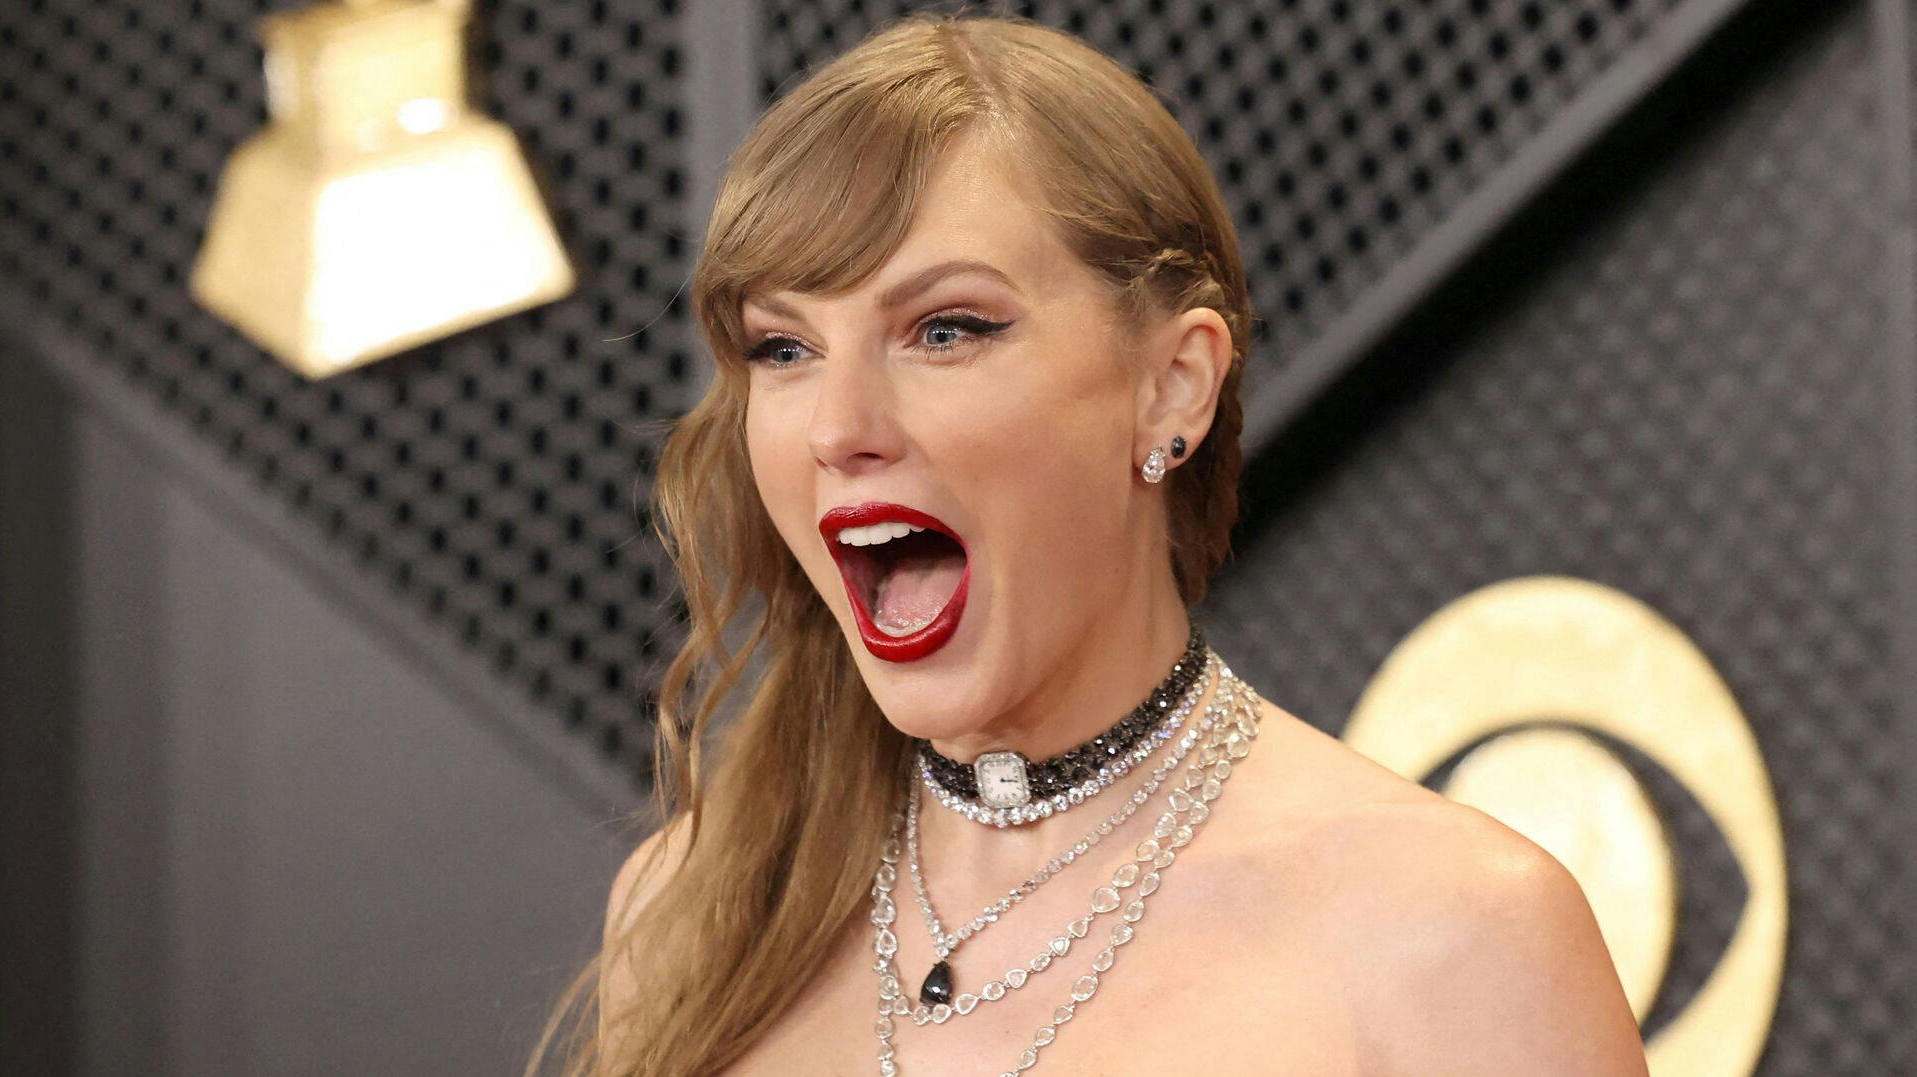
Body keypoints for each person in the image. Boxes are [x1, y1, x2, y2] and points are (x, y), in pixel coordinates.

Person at [529, 12, 1647, 1076]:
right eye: (782, 348)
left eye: (946, 329)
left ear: (1174, 385)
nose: (839, 428)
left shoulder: (1456, 939)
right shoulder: (689, 911)